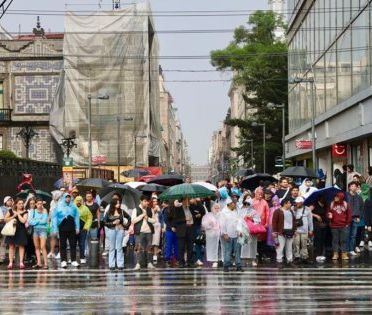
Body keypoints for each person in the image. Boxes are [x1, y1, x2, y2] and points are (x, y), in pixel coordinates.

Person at [52, 193, 80, 268]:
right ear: (64, 198)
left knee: (73, 244)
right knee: (63, 245)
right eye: (66, 197)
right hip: (62, 227)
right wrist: (55, 229)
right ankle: (63, 261)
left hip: (71, 227)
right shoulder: (59, 206)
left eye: (69, 197)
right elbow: (54, 217)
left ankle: (73, 260)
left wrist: (77, 227)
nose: (68, 199)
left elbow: (77, 217)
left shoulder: (73, 207)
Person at [103, 199, 131, 270]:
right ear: (113, 204)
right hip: (111, 230)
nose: (118, 204)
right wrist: (113, 223)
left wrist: (125, 226)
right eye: (117, 203)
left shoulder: (121, 211)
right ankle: (111, 265)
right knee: (111, 247)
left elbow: (129, 218)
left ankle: (120, 265)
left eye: (119, 203)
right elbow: (104, 222)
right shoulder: (108, 212)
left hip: (120, 230)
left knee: (119, 247)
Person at [132, 195, 156, 270]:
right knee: (138, 247)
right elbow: (133, 221)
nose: (146, 203)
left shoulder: (150, 209)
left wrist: (148, 218)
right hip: (140, 231)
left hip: (149, 231)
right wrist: (141, 216)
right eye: (145, 201)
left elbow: (154, 220)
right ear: (141, 201)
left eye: (147, 201)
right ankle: (138, 264)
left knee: (149, 248)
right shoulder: (136, 209)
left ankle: (149, 263)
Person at [4, 198, 28, 269]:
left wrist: (18, 214)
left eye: (22, 203)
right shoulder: (11, 210)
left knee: (21, 246)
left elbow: (23, 221)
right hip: (12, 230)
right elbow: (5, 219)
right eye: (19, 203)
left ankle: (21, 262)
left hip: (21, 230)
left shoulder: (25, 211)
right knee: (11, 246)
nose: (21, 205)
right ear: (16, 204)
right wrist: (13, 216)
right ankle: (10, 262)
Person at [220, 199, 243, 272]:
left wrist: (240, 231)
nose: (235, 205)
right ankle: (226, 266)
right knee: (228, 251)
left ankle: (238, 265)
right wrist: (225, 233)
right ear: (229, 204)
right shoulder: (223, 212)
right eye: (234, 203)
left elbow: (239, 221)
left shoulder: (236, 211)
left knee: (237, 251)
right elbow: (222, 224)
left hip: (236, 233)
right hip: (228, 234)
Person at [327, 192, 352, 261]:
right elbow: (328, 212)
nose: (335, 198)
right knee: (335, 240)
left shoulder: (345, 204)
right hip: (334, 225)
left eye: (337, 197)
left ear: (341, 197)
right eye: (335, 197)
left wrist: (347, 223)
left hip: (344, 225)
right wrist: (329, 216)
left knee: (343, 240)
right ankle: (335, 253)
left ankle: (344, 253)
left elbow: (349, 214)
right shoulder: (332, 204)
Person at [171, 198, 195, 268]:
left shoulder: (191, 207)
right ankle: (181, 262)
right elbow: (175, 220)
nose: (188, 202)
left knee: (190, 246)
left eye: (188, 200)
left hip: (190, 228)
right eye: (186, 200)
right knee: (181, 247)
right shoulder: (178, 209)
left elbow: (199, 211)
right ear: (183, 201)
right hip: (182, 229)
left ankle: (190, 262)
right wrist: (185, 219)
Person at [272, 198, 296, 264]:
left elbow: (294, 221)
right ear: (285, 204)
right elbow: (274, 222)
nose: (290, 204)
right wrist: (274, 231)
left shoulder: (291, 211)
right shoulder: (278, 211)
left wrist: (295, 230)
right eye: (289, 203)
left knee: (289, 246)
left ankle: (289, 259)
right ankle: (279, 259)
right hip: (281, 232)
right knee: (280, 246)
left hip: (290, 231)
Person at [238, 198, 260, 267]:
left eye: (248, 204)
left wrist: (251, 219)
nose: (246, 205)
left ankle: (253, 259)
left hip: (252, 231)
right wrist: (240, 230)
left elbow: (258, 221)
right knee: (244, 245)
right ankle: (245, 260)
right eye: (245, 203)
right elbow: (239, 221)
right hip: (244, 231)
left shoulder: (254, 212)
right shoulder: (241, 211)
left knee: (253, 245)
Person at [28, 198, 49, 269]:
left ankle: (46, 263)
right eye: (38, 204)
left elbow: (44, 221)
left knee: (42, 246)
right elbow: (30, 221)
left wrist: (36, 221)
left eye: (41, 204)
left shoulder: (45, 210)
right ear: (36, 204)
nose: (40, 205)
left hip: (43, 230)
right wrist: (39, 220)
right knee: (36, 247)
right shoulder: (32, 211)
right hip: (35, 230)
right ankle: (39, 263)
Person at [293, 197, 313, 263]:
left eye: (299, 202)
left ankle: (304, 256)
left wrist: (311, 230)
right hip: (296, 230)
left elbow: (310, 220)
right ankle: (296, 256)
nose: (297, 203)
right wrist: (294, 210)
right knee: (296, 243)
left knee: (304, 244)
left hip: (305, 229)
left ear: (302, 202)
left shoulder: (307, 209)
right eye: (297, 202)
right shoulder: (293, 208)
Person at [251, 187, 269, 261]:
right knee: (254, 240)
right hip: (254, 224)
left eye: (261, 194)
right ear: (255, 194)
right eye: (259, 194)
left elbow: (267, 213)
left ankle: (261, 255)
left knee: (262, 241)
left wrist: (267, 223)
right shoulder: (252, 201)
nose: (260, 196)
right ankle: (254, 255)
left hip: (262, 224)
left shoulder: (264, 202)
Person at [347, 181, 364, 256]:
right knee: (346, 234)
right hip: (347, 218)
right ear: (349, 187)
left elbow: (361, 208)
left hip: (355, 218)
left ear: (357, 188)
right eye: (352, 186)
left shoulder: (359, 197)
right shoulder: (346, 196)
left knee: (353, 235)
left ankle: (351, 249)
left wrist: (359, 217)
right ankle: (345, 250)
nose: (354, 187)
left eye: (355, 186)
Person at [74, 196, 93, 264]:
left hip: (83, 229)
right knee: (73, 244)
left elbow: (90, 218)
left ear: (82, 201)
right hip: (74, 229)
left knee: (82, 244)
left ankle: (82, 257)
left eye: (80, 200)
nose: (78, 202)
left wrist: (86, 227)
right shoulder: (72, 208)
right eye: (77, 200)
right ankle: (73, 259)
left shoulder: (85, 208)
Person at [201, 203, 221, 268]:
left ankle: (220, 259)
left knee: (220, 247)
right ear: (212, 208)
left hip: (221, 234)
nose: (217, 210)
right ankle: (214, 260)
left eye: (218, 208)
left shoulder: (222, 215)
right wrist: (209, 223)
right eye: (215, 208)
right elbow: (204, 224)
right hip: (211, 235)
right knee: (212, 247)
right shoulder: (208, 215)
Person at [311, 197, 328, 263]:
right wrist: (316, 216)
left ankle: (322, 253)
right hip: (316, 224)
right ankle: (318, 254)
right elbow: (308, 212)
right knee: (318, 238)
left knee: (323, 239)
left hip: (324, 223)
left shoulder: (326, 205)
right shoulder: (314, 205)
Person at [48, 190, 63, 259]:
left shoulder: (62, 203)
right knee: (52, 237)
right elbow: (50, 212)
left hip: (60, 222)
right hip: (52, 223)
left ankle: (60, 253)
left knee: (60, 238)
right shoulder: (52, 202)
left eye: (54, 195)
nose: (53, 196)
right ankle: (52, 252)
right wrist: (48, 220)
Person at [190, 198, 206, 266]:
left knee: (198, 242)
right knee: (190, 244)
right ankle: (192, 259)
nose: (191, 200)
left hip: (198, 226)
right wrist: (195, 216)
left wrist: (199, 202)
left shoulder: (200, 205)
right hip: (191, 226)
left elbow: (203, 212)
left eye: (192, 198)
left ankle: (199, 259)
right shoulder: (189, 206)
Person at [85, 191, 100, 257]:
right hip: (85, 224)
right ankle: (86, 252)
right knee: (85, 239)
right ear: (85, 197)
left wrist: (99, 222)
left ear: (92, 197)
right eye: (87, 196)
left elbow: (98, 214)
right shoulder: (83, 204)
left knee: (94, 239)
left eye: (90, 196)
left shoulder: (96, 204)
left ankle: (93, 252)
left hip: (94, 224)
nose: (89, 197)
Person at [162, 201, 178, 267]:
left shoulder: (177, 209)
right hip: (169, 229)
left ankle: (176, 258)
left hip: (176, 229)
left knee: (176, 245)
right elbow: (166, 220)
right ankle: (167, 258)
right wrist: (171, 227)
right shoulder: (166, 210)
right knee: (169, 244)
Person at [0, 196, 13, 263]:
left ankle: (12, 257)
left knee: (12, 244)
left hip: (12, 228)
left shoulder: (13, 208)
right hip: (4, 227)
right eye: (8, 200)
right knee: (3, 243)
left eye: (11, 200)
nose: (10, 201)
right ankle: (1, 258)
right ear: (5, 201)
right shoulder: (2, 208)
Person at [24, 197, 36, 264]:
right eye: (31, 203)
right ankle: (28, 257)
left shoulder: (36, 211)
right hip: (28, 229)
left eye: (33, 203)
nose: (32, 205)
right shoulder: (27, 211)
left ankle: (33, 256)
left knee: (34, 244)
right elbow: (26, 220)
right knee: (28, 243)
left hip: (35, 229)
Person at [151, 197, 162, 263]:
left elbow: (162, 218)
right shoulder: (149, 209)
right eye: (154, 201)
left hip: (157, 227)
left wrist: (159, 211)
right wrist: (154, 210)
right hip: (150, 227)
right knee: (150, 243)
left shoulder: (159, 209)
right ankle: (149, 258)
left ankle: (155, 258)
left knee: (156, 243)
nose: (155, 203)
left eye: (156, 201)